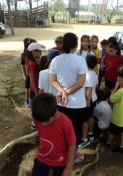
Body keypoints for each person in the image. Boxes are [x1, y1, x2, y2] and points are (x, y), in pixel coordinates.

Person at [50, 32, 88, 163]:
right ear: (75, 45)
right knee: (75, 130)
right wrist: (67, 92)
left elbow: (53, 80)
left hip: (61, 103)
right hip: (77, 104)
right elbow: (80, 83)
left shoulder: (56, 60)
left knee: (63, 129)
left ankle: (64, 153)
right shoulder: (80, 60)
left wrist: (62, 91)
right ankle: (74, 154)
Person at [31, 93, 76, 176]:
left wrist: (69, 168)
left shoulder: (65, 123)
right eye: (40, 121)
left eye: (47, 121)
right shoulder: (39, 117)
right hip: (42, 158)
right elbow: (41, 136)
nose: (43, 124)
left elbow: (72, 144)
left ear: (55, 112)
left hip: (61, 161)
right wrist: (37, 152)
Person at [105, 67, 123, 153]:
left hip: (118, 117)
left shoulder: (121, 91)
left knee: (112, 131)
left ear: (121, 78)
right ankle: (122, 147)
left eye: (118, 77)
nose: (118, 79)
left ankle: (108, 142)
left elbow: (111, 99)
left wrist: (114, 89)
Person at [78, 55, 99, 149]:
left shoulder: (87, 75)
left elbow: (89, 89)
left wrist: (87, 102)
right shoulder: (94, 74)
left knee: (84, 119)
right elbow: (96, 85)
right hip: (93, 98)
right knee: (90, 116)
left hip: (88, 99)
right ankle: (91, 133)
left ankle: (85, 139)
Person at [21, 38, 37, 108]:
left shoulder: (33, 55)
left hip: (31, 75)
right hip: (28, 75)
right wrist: (24, 75)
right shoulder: (24, 55)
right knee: (28, 88)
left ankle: (29, 100)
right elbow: (23, 66)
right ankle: (27, 100)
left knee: (30, 89)